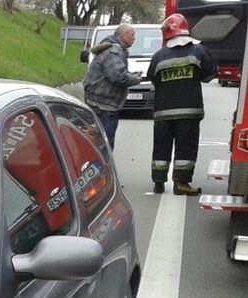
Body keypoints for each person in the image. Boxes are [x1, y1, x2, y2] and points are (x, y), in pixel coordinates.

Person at [146, 14, 217, 195]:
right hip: (189, 111)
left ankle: (159, 183)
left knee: (161, 146)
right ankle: (181, 183)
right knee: (186, 147)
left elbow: (152, 78)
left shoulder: (159, 56)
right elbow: (210, 75)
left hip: (163, 112)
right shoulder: (199, 51)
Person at [82, 23, 142, 148]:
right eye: (132, 35)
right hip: (104, 106)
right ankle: (105, 166)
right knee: (105, 144)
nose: (134, 38)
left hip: (98, 103)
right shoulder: (113, 52)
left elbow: (113, 72)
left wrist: (129, 74)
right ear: (122, 35)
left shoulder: (112, 50)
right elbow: (118, 77)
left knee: (96, 141)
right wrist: (135, 79)